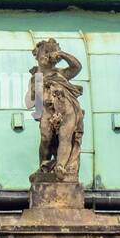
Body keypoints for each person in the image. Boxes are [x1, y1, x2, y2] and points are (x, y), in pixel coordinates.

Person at [25, 38, 84, 180]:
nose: (47, 55)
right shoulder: (35, 78)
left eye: (51, 52)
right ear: (37, 55)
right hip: (47, 111)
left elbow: (77, 67)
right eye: (45, 52)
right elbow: (30, 103)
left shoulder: (61, 74)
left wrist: (62, 54)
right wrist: (36, 88)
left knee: (65, 136)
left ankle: (61, 167)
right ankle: (43, 168)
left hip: (66, 109)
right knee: (45, 138)